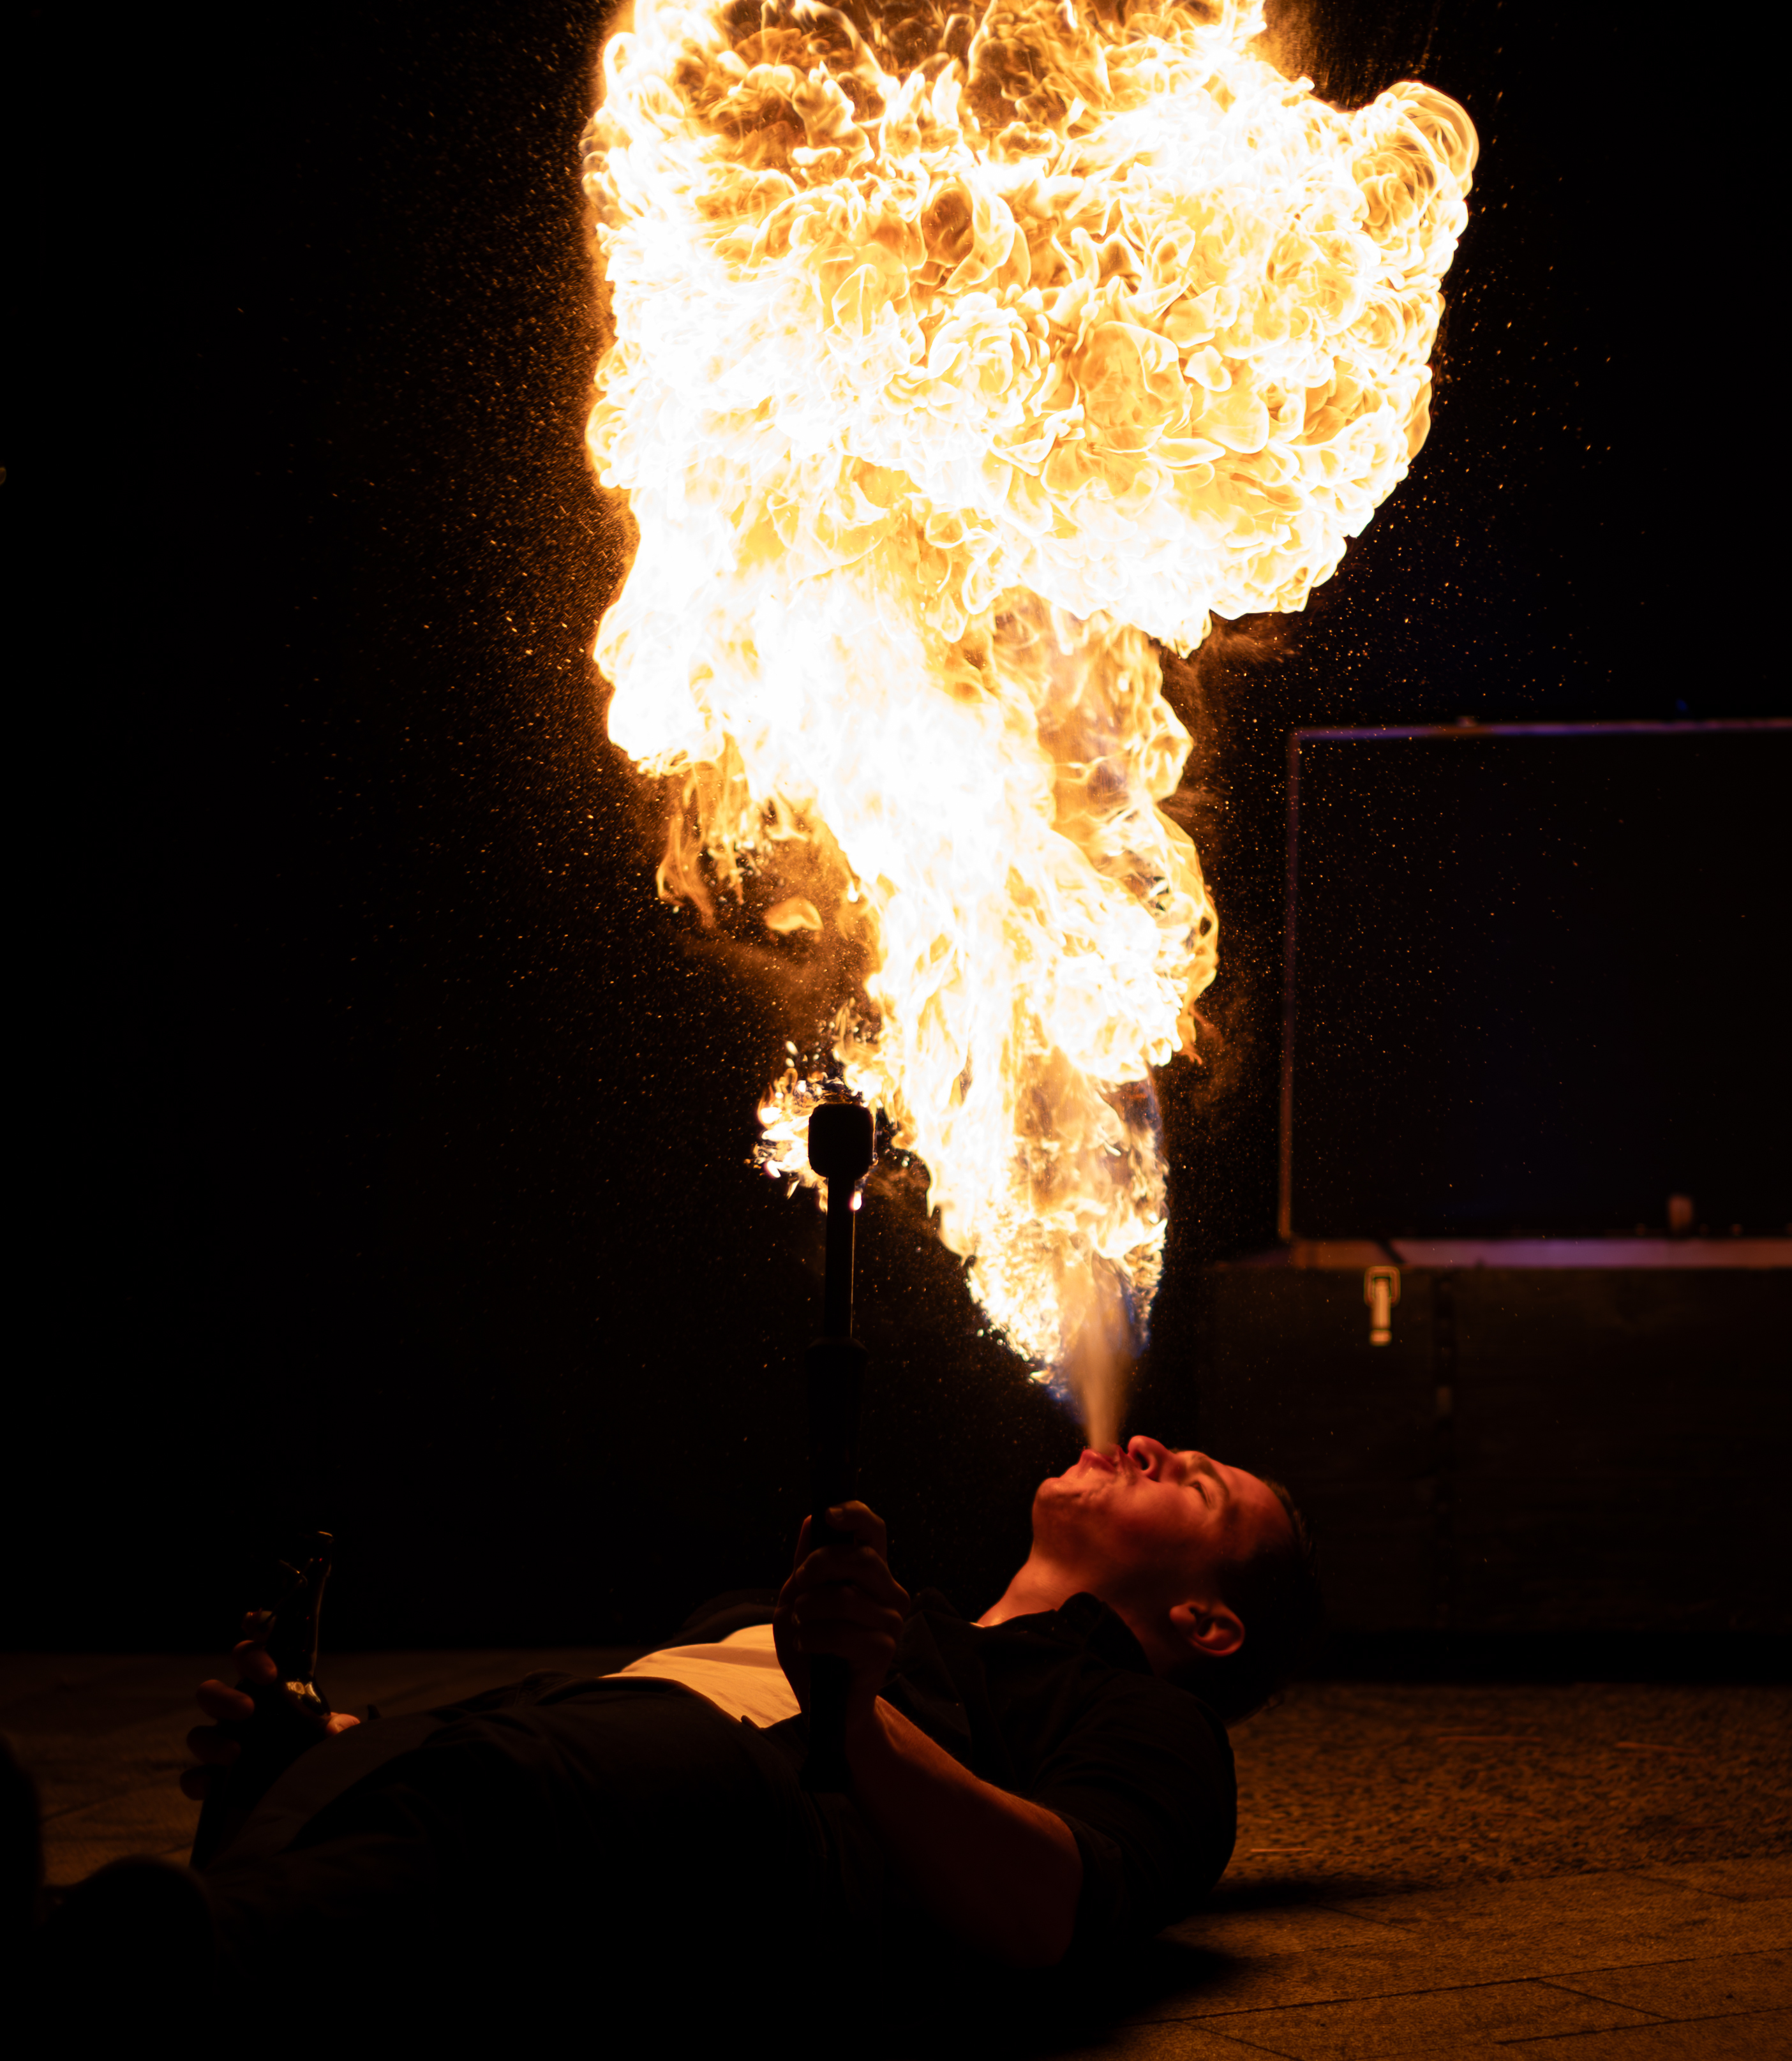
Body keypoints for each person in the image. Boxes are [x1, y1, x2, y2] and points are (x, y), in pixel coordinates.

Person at [34, 1437, 1319, 2020]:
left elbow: (1049, 1907)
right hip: (562, 1770)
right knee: (418, 1792)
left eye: (1197, 1482)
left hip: (750, 1827)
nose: (1146, 1443)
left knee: (562, 1781)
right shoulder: (855, 1614)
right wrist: (321, 1739)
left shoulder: (1154, 1719)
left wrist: (858, 1718)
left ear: (1208, 1621)